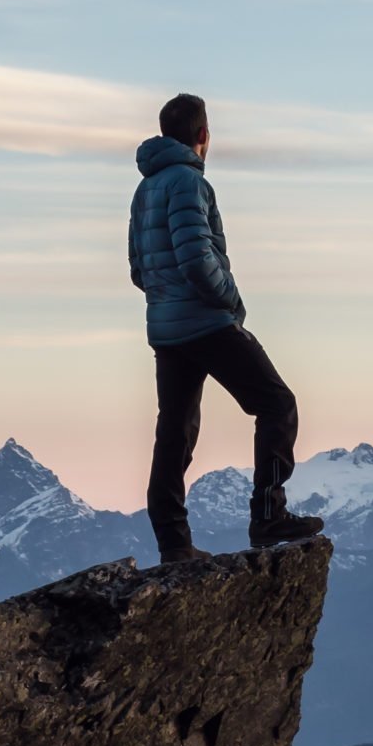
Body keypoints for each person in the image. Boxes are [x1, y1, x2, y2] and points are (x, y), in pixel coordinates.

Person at [130, 92, 324, 563]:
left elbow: (139, 269)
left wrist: (165, 300)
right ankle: (267, 516)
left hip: (166, 328)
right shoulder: (188, 183)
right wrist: (229, 301)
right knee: (277, 405)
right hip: (206, 322)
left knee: (174, 432)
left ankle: (174, 544)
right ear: (203, 136)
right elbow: (197, 256)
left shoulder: (145, 189)